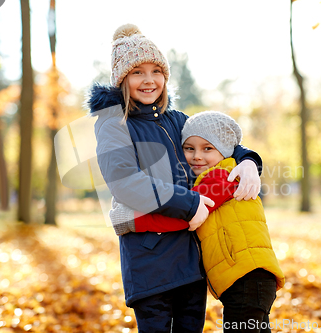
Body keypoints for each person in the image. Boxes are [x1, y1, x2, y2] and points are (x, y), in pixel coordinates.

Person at [87, 24, 263, 333]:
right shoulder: (114, 124)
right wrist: (191, 202)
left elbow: (221, 143)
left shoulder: (177, 120)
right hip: (150, 262)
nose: (149, 80)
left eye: (156, 70)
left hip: (191, 261)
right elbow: (125, 181)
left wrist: (248, 161)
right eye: (137, 72)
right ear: (122, 79)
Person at [111, 111, 285, 333]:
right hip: (251, 278)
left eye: (207, 148)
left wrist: (130, 220)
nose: (196, 156)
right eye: (189, 148)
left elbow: (181, 218)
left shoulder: (224, 177)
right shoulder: (214, 175)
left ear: (224, 149)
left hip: (247, 278)